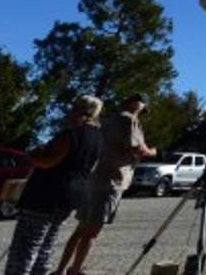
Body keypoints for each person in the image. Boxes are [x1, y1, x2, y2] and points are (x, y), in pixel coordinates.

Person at [54, 94, 155, 275]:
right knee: (92, 232)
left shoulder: (106, 120)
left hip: (93, 178)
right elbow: (137, 148)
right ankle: (75, 270)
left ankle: (61, 269)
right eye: (142, 108)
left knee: (80, 229)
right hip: (111, 180)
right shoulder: (129, 119)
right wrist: (153, 152)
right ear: (138, 104)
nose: (142, 112)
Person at [2, 96, 104, 275]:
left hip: (46, 195)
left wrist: (32, 156)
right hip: (71, 196)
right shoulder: (98, 138)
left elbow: (49, 161)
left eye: (73, 109)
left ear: (81, 112)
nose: (68, 114)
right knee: (46, 245)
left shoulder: (70, 134)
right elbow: (92, 167)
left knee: (26, 246)